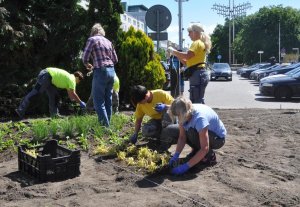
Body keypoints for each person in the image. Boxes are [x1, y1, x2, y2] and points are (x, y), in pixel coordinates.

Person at [167, 96, 226, 175]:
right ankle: (196, 152)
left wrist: (185, 167)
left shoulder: (200, 119)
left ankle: (210, 156)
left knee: (191, 132)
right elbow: (182, 137)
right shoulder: (184, 112)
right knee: (188, 131)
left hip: (218, 139)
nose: (177, 118)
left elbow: (204, 148)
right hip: (203, 133)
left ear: (185, 113)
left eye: (178, 116)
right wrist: (176, 155)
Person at [82, 23, 118, 127]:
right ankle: (108, 126)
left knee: (98, 101)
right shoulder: (108, 41)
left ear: (93, 32)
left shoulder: (92, 40)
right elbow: (115, 60)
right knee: (108, 100)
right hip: (111, 71)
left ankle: (105, 127)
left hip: (100, 71)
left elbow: (84, 57)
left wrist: (87, 64)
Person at [15, 67, 86, 119]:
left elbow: (71, 95)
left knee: (54, 96)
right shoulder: (72, 80)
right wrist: (80, 102)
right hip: (46, 75)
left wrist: (75, 103)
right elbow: (73, 93)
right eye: (80, 80)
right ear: (77, 77)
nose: (79, 82)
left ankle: (54, 115)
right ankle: (20, 110)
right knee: (35, 93)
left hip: (49, 78)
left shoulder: (69, 78)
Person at [168, 22, 212, 104]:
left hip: (197, 74)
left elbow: (187, 56)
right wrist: (177, 55)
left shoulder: (196, 43)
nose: (188, 35)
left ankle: (200, 116)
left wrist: (174, 51)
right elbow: (186, 63)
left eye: (190, 32)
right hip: (199, 73)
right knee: (197, 99)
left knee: (196, 101)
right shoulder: (201, 43)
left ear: (195, 32)